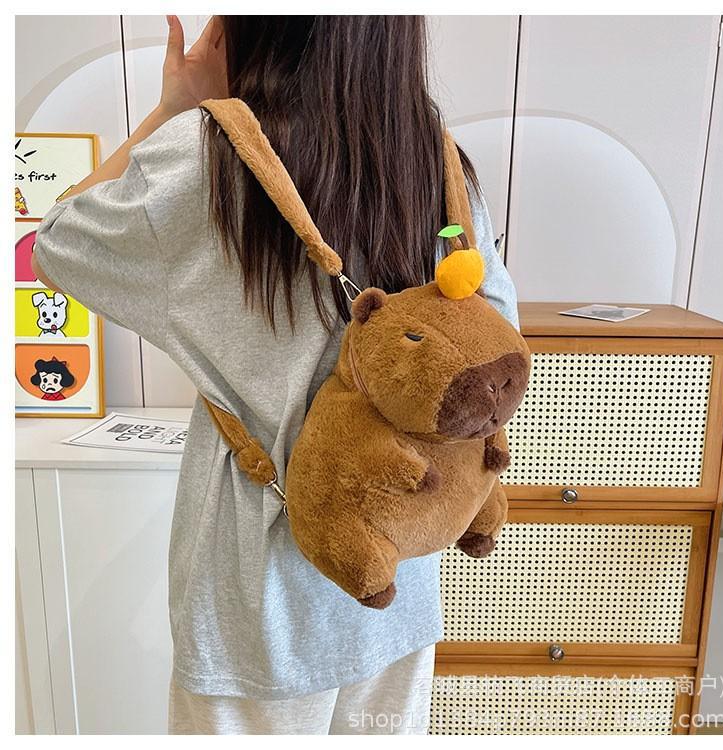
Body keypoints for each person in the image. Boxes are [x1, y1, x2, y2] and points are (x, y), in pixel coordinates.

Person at [32, 15, 519, 735]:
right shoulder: (437, 161)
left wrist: (174, 107)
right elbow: (496, 325)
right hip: (401, 578)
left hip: (258, 605)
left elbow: (54, 245)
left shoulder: (205, 160)